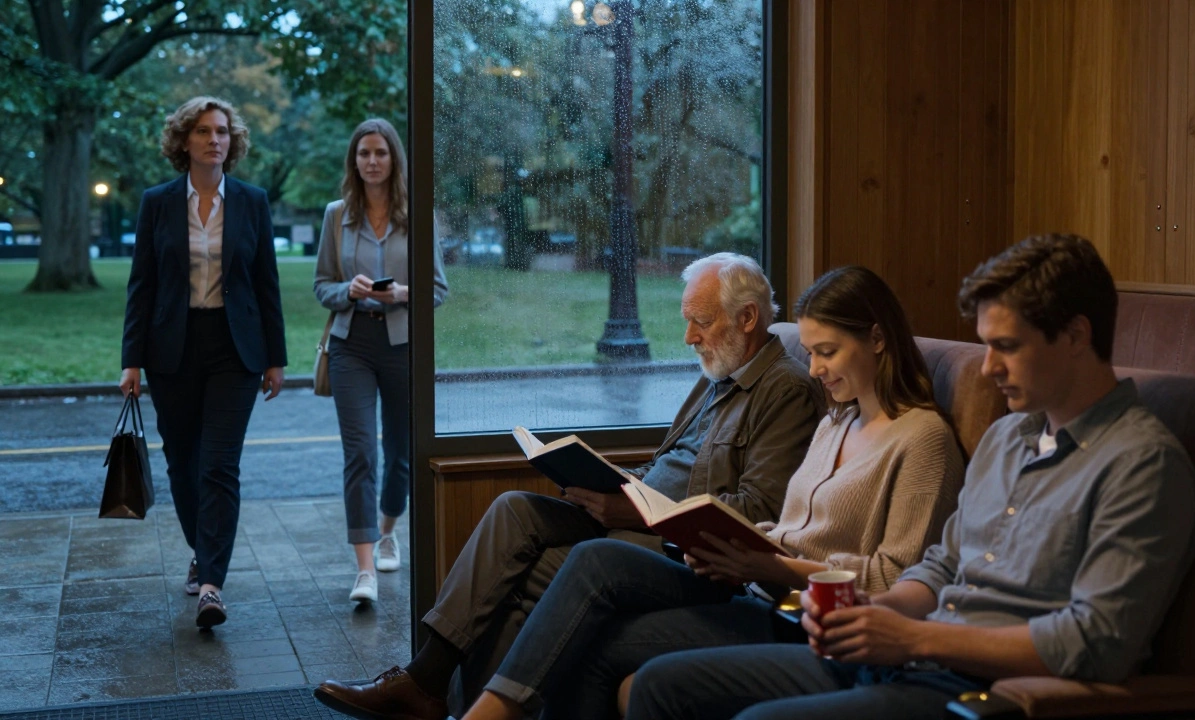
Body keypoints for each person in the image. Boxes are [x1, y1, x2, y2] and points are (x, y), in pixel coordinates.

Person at [625, 233, 1195, 720]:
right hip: (908, 656)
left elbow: (1096, 642)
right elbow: (941, 565)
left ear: (1077, 335)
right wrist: (879, 615)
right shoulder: (1008, 438)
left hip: (979, 690)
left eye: (1007, 346)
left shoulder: (1140, 464)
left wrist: (916, 637)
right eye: (985, 346)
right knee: (661, 686)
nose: (988, 368)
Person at [314, 252, 826, 720]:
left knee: (525, 579)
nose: (689, 337)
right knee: (514, 508)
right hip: (636, 514)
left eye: (701, 322)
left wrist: (633, 509)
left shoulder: (786, 390)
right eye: (687, 320)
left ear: (749, 318)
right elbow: (670, 463)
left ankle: (440, 699)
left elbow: (754, 510)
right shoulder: (717, 374)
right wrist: (616, 485)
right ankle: (427, 681)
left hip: (682, 554)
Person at [451, 265, 966, 720]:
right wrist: (733, 545)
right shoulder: (838, 420)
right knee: (591, 571)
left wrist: (772, 566)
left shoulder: (923, 441)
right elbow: (785, 527)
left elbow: (896, 578)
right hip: (756, 588)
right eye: (809, 353)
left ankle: (489, 713)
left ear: (877, 339)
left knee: (597, 611)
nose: (813, 370)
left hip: (797, 613)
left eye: (827, 353)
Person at [120, 96, 287, 629]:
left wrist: (275, 358)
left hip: (234, 349)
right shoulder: (158, 202)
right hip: (173, 347)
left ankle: (211, 582)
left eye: (222, 131)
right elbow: (141, 286)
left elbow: (267, 284)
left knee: (219, 465)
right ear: (184, 141)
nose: (215, 139)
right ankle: (204, 548)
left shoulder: (252, 201)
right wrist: (131, 363)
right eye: (203, 131)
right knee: (183, 466)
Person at [314, 119, 445, 604]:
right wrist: (346, 290)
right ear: (354, 161)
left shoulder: (418, 215)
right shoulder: (335, 216)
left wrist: (405, 294)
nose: (372, 161)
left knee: (401, 456)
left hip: (402, 343)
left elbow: (438, 291)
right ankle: (364, 568)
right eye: (364, 153)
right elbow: (321, 285)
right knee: (361, 455)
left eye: (381, 153)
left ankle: (389, 529)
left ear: (394, 160)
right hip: (351, 344)